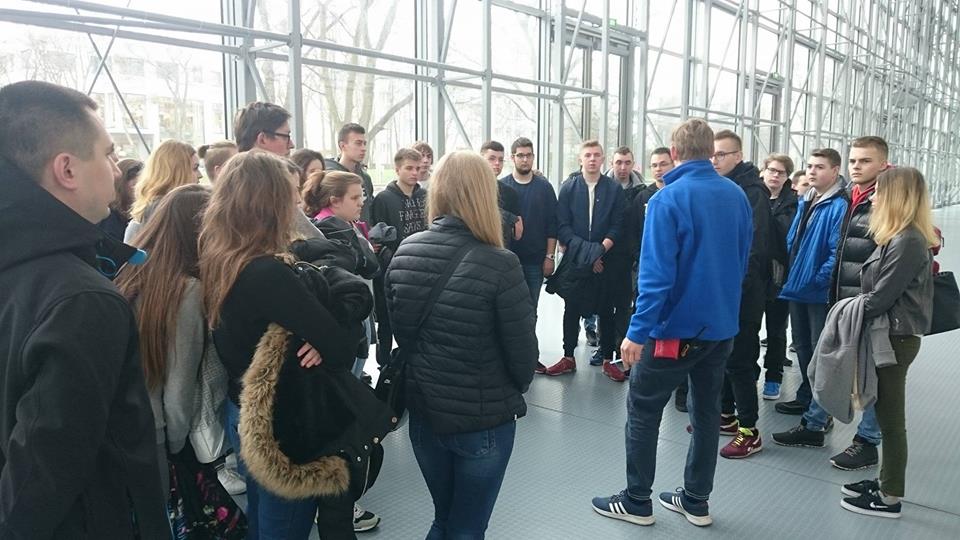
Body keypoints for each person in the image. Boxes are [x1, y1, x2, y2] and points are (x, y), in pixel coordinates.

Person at [0, 80, 167, 538]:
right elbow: (39, 482)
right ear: (67, 169)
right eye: (108, 154)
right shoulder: (81, 301)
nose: (115, 170)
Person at [591, 118, 752, 528]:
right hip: (720, 327)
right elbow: (741, 259)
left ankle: (637, 500)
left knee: (643, 409)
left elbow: (655, 276)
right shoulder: (736, 196)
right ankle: (696, 500)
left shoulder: (667, 200)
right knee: (706, 412)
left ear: (675, 153)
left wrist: (636, 332)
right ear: (711, 152)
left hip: (675, 332)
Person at [199, 151, 358, 539]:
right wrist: (323, 336)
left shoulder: (219, 256)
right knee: (283, 526)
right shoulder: (269, 273)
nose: (298, 203)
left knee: (261, 515)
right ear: (268, 202)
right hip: (281, 423)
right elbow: (340, 349)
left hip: (242, 410)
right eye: (290, 194)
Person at [385, 150, 538, 539]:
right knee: (467, 528)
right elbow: (523, 357)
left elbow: (400, 330)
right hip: (481, 421)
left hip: (424, 415)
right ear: (486, 195)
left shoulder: (406, 251)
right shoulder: (501, 263)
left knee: (444, 518)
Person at [838, 167, 936, 519]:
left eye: (880, 191)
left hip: (894, 338)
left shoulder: (907, 241)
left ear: (897, 196)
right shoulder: (899, 236)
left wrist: (843, 310)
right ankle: (884, 481)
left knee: (891, 420)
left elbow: (881, 298)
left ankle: (890, 496)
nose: (874, 197)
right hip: (890, 335)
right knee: (884, 413)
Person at [115, 184, 215, 495]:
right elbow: (178, 385)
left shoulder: (132, 270)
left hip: (124, 419)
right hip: (156, 431)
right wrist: (178, 443)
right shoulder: (188, 290)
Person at [808, 136, 891, 470]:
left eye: (865, 161)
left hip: (868, 303)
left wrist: (869, 300)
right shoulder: (848, 197)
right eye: (853, 160)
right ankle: (815, 422)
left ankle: (867, 441)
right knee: (831, 362)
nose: (857, 166)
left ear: (883, 164)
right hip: (843, 298)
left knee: (871, 373)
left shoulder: (886, 199)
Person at [770, 149, 848, 448]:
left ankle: (819, 413)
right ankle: (809, 397)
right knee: (803, 346)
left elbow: (836, 252)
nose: (812, 171)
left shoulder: (838, 205)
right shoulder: (808, 199)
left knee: (819, 351)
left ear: (835, 171)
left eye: (820, 167)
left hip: (815, 290)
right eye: (810, 166)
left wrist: (817, 280)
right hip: (798, 285)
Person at [710, 130, 772, 459]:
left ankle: (749, 430)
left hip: (743, 292)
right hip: (724, 289)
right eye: (712, 154)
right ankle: (727, 415)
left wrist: (736, 288)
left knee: (741, 359)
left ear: (738, 156)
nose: (715, 160)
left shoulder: (752, 192)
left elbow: (754, 247)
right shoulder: (723, 187)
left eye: (721, 154)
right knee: (723, 355)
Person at [547, 140, 625, 377]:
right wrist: (588, 255)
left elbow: (617, 225)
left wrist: (599, 251)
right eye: (588, 155)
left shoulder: (614, 190)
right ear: (580, 159)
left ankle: (608, 359)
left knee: (606, 309)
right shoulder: (568, 188)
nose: (592, 159)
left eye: (596, 155)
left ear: (603, 159)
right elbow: (563, 225)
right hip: (576, 260)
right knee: (571, 308)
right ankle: (568, 357)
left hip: (606, 260)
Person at [370, 147, 429, 367]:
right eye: (409, 168)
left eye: (418, 168)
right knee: (386, 316)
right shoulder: (383, 199)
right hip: (392, 266)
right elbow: (379, 233)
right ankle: (384, 364)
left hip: (421, 264)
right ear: (397, 169)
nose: (414, 173)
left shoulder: (425, 196)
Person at [590, 146, 644, 380]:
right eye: (618, 162)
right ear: (611, 163)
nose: (623, 167)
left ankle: (622, 348)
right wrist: (596, 253)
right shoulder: (602, 187)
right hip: (604, 254)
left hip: (628, 257)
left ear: (633, 164)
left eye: (627, 162)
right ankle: (604, 347)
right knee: (603, 304)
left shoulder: (641, 192)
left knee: (624, 305)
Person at [233, 101, 323, 240]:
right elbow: (315, 239)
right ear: (262, 139)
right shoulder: (274, 187)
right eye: (286, 136)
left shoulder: (228, 187)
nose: (291, 145)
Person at [499, 137, 558, 310]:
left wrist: (550, 257)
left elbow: (552, 225)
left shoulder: (545, 188)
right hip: (507, 260)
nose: (525, 159)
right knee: (508, 309)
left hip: (535, 261)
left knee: (531, 309)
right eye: (520, 155)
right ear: (512, 158)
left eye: (529, 155)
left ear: (533, 157)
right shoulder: (501, 187)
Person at [759, 153, 798, 400]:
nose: (775, 175)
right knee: (748, 329)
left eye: (780, 172)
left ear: (787, 177)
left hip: (780, 275)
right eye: (771, 170)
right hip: (754, 274)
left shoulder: (794, 204)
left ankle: (773, 376)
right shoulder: (753, 197)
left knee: (776, 329)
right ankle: (747, 376)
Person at [124, 139, 202, 242]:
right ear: (176, 172)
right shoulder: (140, 225)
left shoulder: (140, 223)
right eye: (195, 168)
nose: (200, 175)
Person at [325, 123, 375, 224]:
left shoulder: (365, 178)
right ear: (343, 146)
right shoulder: (329, 178)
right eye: (358, 143)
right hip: (338, 231)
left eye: (364, 143)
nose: (363, 148)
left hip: (364, 232)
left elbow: (370, 211)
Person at [481, 140, 523, 243]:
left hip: (501, 247)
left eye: (500, 160)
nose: (497, 163)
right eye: (492, 159)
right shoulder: (469, 189)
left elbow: (518, 232)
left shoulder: (510, 193)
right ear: (481, 160)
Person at [98, 158, 143, 240]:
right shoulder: (109, 216)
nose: (141, 190)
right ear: (121, 184)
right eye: (136, 185)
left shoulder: (144, 210)